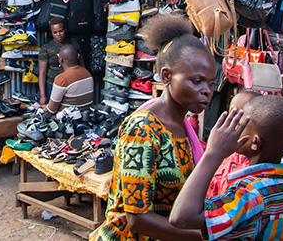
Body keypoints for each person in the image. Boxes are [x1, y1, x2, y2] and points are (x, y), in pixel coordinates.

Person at [91, 15, 214, 241]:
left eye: (211, 83)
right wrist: (204, 237)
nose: (207, 90)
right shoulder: (143, 129)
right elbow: (137, 219)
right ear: (166, 76)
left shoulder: (183, 127)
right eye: (197, 81)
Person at [169, 96, 283, 240]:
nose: (233, 129)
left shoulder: (249, 194)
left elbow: (181, 217)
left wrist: (212, 154)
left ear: (255, 142)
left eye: (240, 125)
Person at [206, 90, 260, 197]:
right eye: (234, 113)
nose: (237, 120)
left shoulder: (257, 162)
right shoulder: (222, 154)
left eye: (244, 115)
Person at [38, 17, 81, 107]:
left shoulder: (73, 46)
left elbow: (81, 66)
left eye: (60, 31)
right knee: (53, 111)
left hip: (72, 85)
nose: (58, 34)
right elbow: (42, 73)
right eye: (55, 32)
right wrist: (43, 96)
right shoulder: (46, 48)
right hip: (53, 86)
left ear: (65, 29)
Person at [46, 44, 93, 113]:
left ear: (60, 59)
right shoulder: (87, 73)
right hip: (86, 114)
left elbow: (52, 110)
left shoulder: (62, 79)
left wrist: (45, 107)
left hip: (68, 117)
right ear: (78, 57)